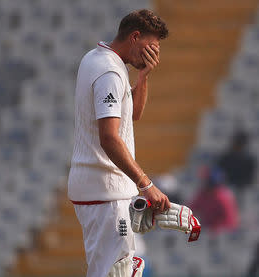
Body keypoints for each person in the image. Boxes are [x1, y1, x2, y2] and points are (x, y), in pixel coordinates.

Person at [67, 10, 170, 277]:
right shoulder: (110, 71)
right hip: (106, 193)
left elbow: (132, 114)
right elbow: (109, 137)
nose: (154, 56)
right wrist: (146, 184)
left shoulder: (97, 58)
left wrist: (143, 77)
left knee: (113, 271)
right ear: (135, 36)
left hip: (99, 190)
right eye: (151, 48)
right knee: (116, 272)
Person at [189, 166, 239, 235]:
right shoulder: (202, 195)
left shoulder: (223, 197)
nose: (204, 183)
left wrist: (215, 229)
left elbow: (230, 221)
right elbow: (190, 210)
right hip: (205, 231)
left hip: (221, 234)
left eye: (207, 181)